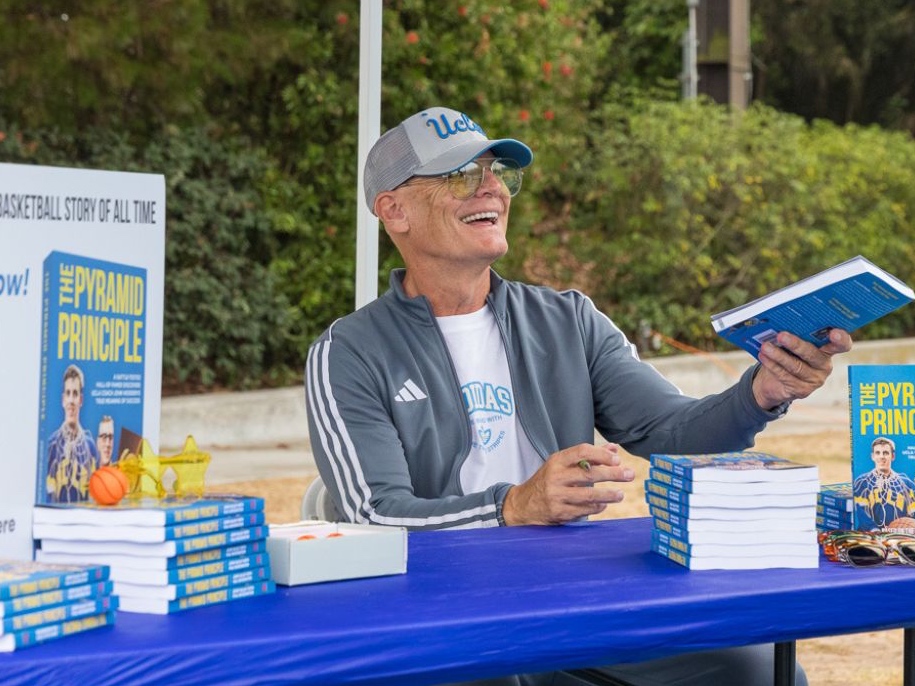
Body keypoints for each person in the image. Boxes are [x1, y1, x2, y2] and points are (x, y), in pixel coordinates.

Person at [304, 106, 853, 686]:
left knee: (760, 672)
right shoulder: (349, 351)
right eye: (460, 176)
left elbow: (674, 434)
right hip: (436, 617)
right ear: (395, 210)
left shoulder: (568, 319)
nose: (490, 186)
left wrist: (762, 393)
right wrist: (513, 507)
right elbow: (374, 515)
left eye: (497, 172)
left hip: (573, 599)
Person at [46, 364, 99, 503]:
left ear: (80, 400)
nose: (71, 400)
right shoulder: (52, 444)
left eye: (75, 394)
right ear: (63, 400)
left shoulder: (90, 446)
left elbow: (94, 494)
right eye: (68, 393)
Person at [853, 437, 915, 529]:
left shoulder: (907, 484)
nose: (881, 456)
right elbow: (863, 515)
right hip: (870, 537)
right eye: (877, 453)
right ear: (872, 456)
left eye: (885, 453)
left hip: (899, 536)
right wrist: (876, 532)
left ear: (893, 456)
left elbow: (912, 514)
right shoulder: (862, 482)